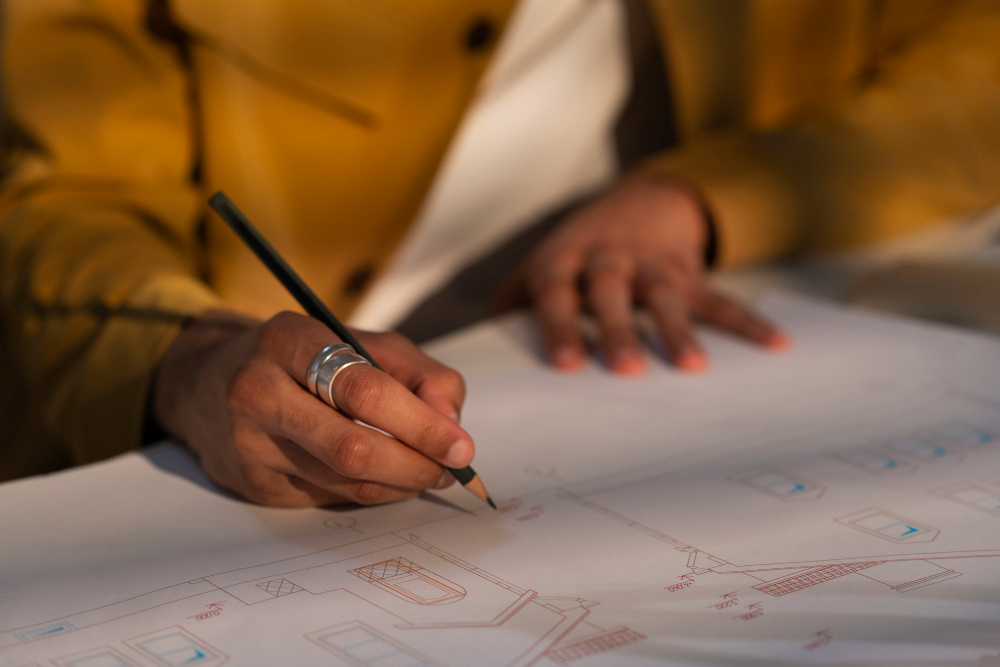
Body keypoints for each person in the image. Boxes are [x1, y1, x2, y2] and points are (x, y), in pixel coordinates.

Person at [1, 0, 998, 503]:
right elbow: (56, 200)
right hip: (260, 427)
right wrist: (196, 362)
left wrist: (704, 196)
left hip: (641, 372)